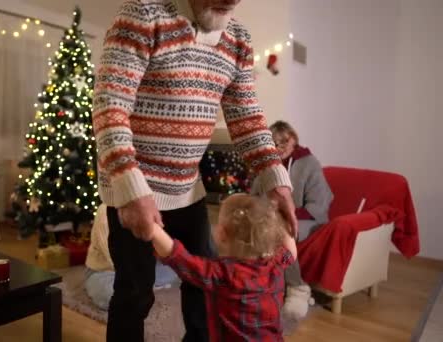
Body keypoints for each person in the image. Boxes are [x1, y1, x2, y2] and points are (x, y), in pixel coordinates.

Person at [92, 0, 298, 340]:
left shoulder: (239, 39)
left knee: (203, 290)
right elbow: (109, 106)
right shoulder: (142, 14)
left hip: (188, 188)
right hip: (134, 189)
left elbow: (247, 117)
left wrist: (276, 179)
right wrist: (130, 188)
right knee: (134, 293)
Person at [151, 194, 297, 341]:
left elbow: (178, 257)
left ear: (221, 234)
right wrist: (280, 213)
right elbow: (291, 252)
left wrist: (153, 228)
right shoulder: (276, 265)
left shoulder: (220, 274)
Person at [251, 120, 333, 320]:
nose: (278, 148)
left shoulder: (309, 163)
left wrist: (289, 215)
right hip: (274, 217)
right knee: (253, 227)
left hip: (309, 219)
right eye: (274, 144)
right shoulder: (268, 164)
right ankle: (259, 285)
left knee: (281, 231)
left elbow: (319, 204)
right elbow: (254, 196)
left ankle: (298, 288)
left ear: (293, 140)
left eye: (283, 143)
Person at [84, 204, 179, 310]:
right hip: (105, 271)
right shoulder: (106, 211)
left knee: (173, 270)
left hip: (142, 267)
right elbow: (113, 258)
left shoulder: (150, 206)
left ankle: (145, 288)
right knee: (109, 294)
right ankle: (146, 289)